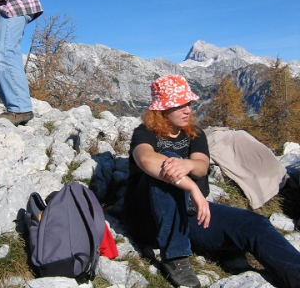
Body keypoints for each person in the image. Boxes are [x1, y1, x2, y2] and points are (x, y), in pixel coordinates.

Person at [122, 74, 300, 288]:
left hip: (187, 213)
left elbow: (201, 166)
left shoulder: (194, 134)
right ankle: (175, 257)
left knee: (254, 224)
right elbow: (146, 159)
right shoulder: (144, 133)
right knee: (168, 160)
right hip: (146, 217)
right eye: (180, 105)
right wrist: (191, 186)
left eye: (188, 104)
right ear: (162, 110)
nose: (187, 110)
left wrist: (188, 165)